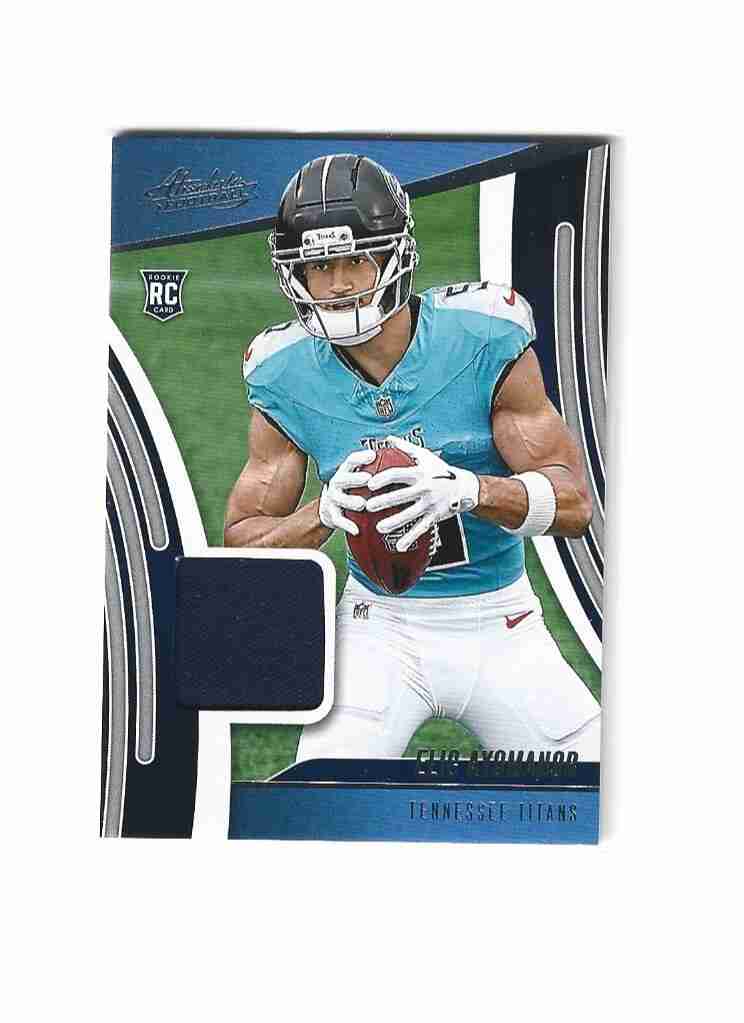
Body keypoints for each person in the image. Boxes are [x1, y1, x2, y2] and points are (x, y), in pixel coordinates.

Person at [225, 153, 600, 761]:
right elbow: (243, 542)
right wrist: (322, 513)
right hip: (378, 626)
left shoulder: (482, 336)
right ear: (295, 275)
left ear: (395, 255)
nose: (339, 284)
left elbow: (575, 504)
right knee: (323, 798)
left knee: (592, 789)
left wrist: (469, 490)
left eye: (356, 259)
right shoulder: (283, 372)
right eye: (320, 266)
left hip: (501, 621)